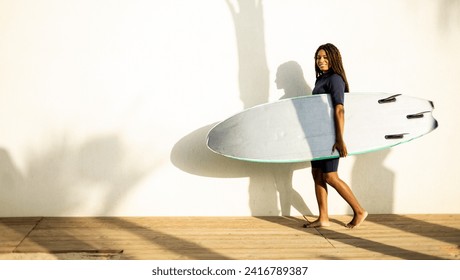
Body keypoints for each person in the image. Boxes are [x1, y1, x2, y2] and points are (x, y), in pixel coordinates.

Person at [306, 43, 368, 229]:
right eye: (318, 57)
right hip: (317, 135)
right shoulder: (321, 80)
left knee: (330, 176)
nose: (321, 61)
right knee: (317, 174)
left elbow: (339, 109)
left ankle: (359, 210)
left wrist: (340, 139)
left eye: (325, 57)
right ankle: (323, 218)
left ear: (334, 59)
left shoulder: (335, 79)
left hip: (330, 135)